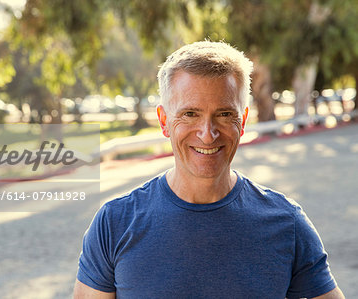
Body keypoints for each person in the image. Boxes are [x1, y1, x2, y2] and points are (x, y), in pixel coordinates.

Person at [73, 41, 344, 298]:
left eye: (225, 114)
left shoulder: (287, 222)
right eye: (190, 114)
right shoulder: (114, 223)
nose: (208, 134)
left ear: (244, 119)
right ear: (164, 120)